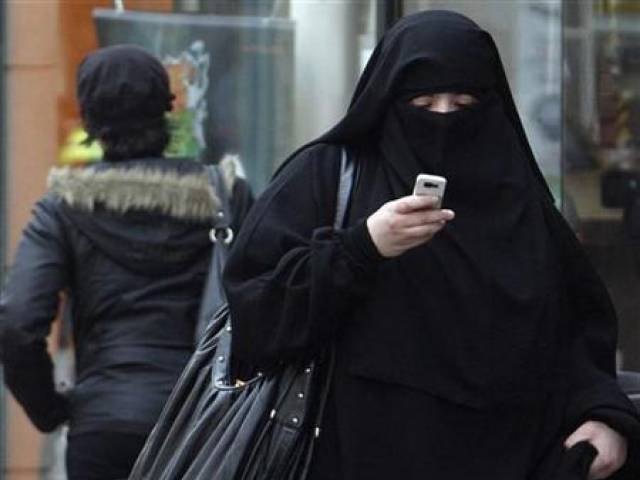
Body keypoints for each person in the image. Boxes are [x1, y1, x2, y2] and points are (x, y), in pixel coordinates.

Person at [223, 11, 640, 480]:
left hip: (514, 455)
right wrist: (361, 248)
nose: (443, 117)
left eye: (463, 102)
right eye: (422, 101)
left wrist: (604, 415)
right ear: (388, 100)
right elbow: (256, 314)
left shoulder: (518, 198)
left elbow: (575, 332)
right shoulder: (327, 177)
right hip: (358, 453)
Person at [0, 45, 252, 480]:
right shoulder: (225, 197)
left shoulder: (63, 208)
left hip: (104, 426)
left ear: (88, 120)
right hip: (205, 422)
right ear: (169, 109)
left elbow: (20, 321)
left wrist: (49, 408)